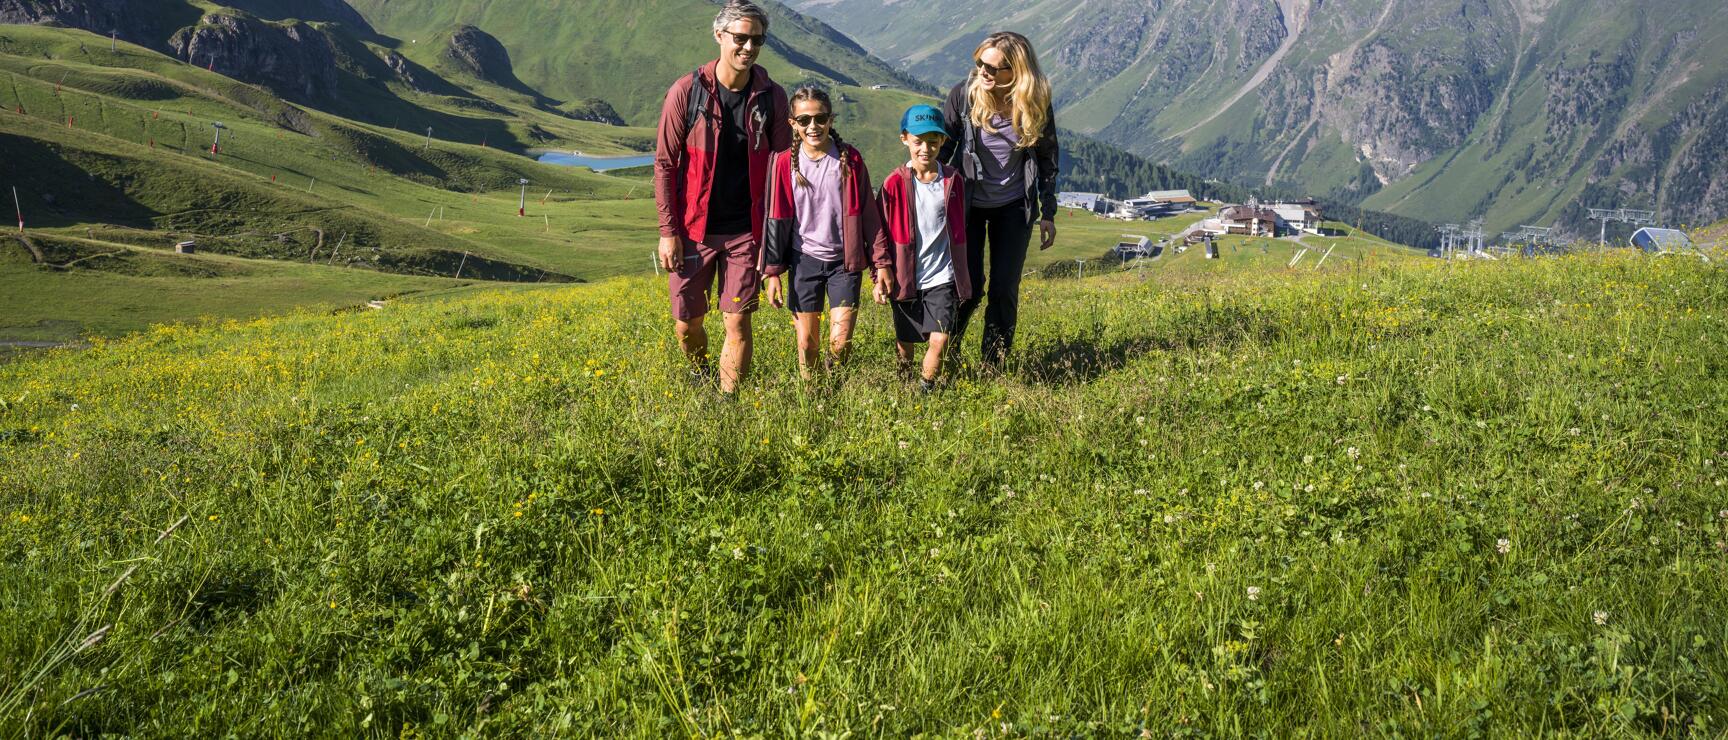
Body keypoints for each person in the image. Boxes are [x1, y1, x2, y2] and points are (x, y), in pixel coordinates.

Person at [653, 1, 791, 394]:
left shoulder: (772, 97)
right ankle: (701, 374)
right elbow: (665, 165)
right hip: (694, 231)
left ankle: (728, 403)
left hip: (746, 233)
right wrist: (669, 231)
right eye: (741, 38)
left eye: (757, 40)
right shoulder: (687, 91)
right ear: (719, 36)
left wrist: (777, 244)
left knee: (738, 320)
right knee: (687, 325)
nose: (748, 47)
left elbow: (781, 170)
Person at [940, 31, 1059, 370]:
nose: (984, 72)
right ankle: (944, 353)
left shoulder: (1034, 102)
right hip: (969, 205)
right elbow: (944, 149)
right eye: (980, 63)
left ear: (1017, 71)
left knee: (1004, 288)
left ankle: (995, 364)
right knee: (969, 286)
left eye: (994, 68)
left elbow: (1048, 156)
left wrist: (1047, 212)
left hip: (1013, 206)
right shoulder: (963, 96)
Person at [761, 88, 894, 380]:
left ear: (831, 119)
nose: (813, 126)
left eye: (820, 118)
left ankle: (831, 384)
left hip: (844, 265)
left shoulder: (850, 160)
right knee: (807, 343)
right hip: (803, 262)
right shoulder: (783, 163)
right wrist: (771, 272)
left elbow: (870, 217)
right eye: (804, 119)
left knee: (840, 342)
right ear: (792, 123)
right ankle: (812, 395)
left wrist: (880, 263)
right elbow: (774, 219)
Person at [878, 104, 973, 393]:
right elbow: (879, 231)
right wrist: (880, 273)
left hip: (942, 278)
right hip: (906, 277)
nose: (925, 149)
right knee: (905, 344)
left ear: (943, 141)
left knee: (939, 339)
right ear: (904, 139)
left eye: (933, 142)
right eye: (918, 141)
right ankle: (903, 385)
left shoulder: (953, 180)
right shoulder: (893, 183)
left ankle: (925, 390)